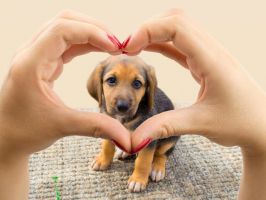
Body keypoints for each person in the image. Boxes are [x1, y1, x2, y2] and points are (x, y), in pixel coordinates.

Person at [0, 8, 265, 200]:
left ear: (149, 88)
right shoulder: (105, 103)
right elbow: (104, 126)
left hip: (159, 141)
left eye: (136, 84)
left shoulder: (148, 108)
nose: (123, 98)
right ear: (99, 85)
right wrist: (106, 154)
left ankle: (160, 159)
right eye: (112, 81)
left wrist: (144, 170)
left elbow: (149, 141)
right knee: (112, 132)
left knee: (158, 143)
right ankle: (115, 152)